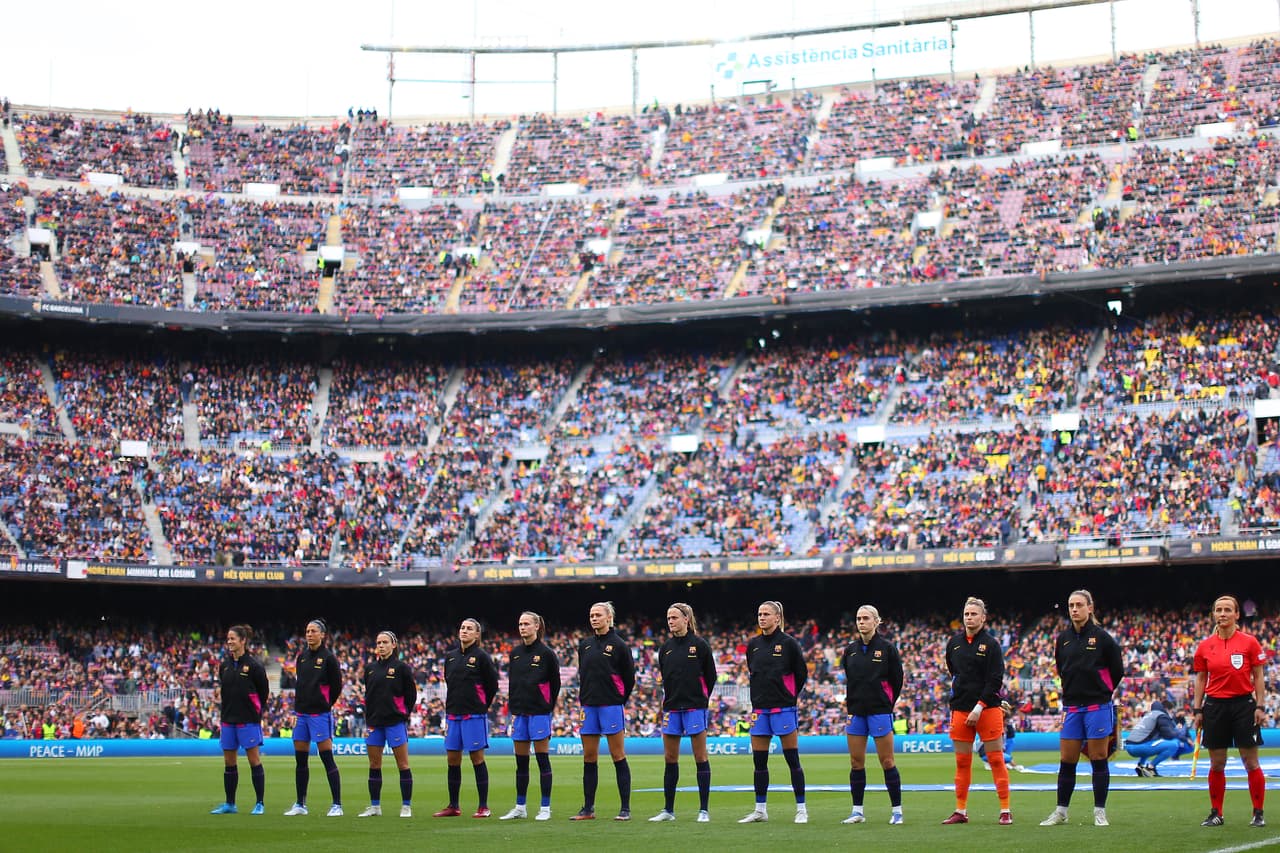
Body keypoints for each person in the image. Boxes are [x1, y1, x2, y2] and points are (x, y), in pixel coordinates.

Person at [1040, 589, 1125, 828]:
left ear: (1090, 607)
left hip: (1097, 705)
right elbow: (1061, 668)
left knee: (1098, 757)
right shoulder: (1063, 638)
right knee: (1067, 760)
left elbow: (1117, 670)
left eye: (1079, 605)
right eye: (1071, 605)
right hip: (1072, 707)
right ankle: (1061, 811)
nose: (1075, 609)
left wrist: (1103, 691)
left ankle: (1099, 812)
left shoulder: (1103, 638)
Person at [1193, 594, 1268, 828]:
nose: (1222, 614)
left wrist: (1260, 705)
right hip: (1214, 706)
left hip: (1244, 706)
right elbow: (1201, 678)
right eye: (1218, 610)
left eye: (1227, 610)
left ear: (1237, 614)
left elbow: (1258, 676)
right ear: (1213, 614)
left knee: (1251, 762)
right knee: (1217, 763)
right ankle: (1216, 813)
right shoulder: (1204, 646)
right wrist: (1197, 710)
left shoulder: (1250, 642)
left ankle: (1258, 813)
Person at [941, 596, 1012, 826]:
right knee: (962, 762)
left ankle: (1005, 810)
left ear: (983, 617)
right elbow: (954, 672)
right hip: (960, 710)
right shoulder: (954, 643)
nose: (969, 617)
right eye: (966, 614)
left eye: (973, 614)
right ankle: (960, 810)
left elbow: (995, 680)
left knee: (996, 760)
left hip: (988, 709)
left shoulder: (991, 645)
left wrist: (979, 706)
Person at [739, 600, 809, 825]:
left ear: (777, 618)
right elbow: (753, 672)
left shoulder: (789, 644)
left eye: (766, 614)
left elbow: (801, 674)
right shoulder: (754, 645)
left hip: (783, 708)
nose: (762, 617)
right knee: (759, 762)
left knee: (792, 760)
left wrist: (788, 696)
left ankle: (801, 809)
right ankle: (760, 809)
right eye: (759, 614)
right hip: (759, 710)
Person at [649, 602, 717, 824]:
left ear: (686, 620)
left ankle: (704, 810)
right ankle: (668, 810)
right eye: (668, 618)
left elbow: (711, 677)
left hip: (694, 707)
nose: (670, 622)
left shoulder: (699, 645)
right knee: (670, 759)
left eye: (674, 618)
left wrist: (701, 699)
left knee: (700, 757)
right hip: (671, 708)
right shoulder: (665, 648)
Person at [839, 604, 905, 826]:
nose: (861, 622)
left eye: (866, 618)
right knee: (856, 762)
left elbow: (897, 681)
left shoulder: (887, 649)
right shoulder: (850, 650)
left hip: (879, 711)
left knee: (887, 761)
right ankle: (857, 811)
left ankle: (897, 811)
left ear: (877, 622)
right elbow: (850, 677)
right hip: (856, 712)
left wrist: (886, 703)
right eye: (858, 618)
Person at [572, 601, 636, 821]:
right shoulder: (585, 645)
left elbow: (629, 679)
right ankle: (588, 808)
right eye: (591, 615)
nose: (594, 618)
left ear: (609, 618)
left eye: (598, 615)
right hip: (589, 706)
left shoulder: (619, 645)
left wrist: (619, 700)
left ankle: (625, 809)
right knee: (589, 757)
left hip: (610, 706)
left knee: (617, 755)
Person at [434, 618, 500, 819]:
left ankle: (483, 806)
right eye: (462, 628)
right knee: (452, 759)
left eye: (469, 629)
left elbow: (492, 686)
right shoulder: (451, 657)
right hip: (453, 714)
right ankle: (453, 805)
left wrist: (481, 705)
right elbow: (449, 681)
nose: (464, 631)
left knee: (476, 758)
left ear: (477, 634)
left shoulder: (482, 657)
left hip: (474, 715)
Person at [500, 611, 561, 822]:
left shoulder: (546, 654)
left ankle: (545, 807)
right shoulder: (515, 653)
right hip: (519, 713)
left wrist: (547, 706)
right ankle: (520, 806)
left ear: (537, 627)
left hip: (539, 713)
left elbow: (556, 684)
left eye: (526, 624)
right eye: (520, 624)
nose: (522, 627)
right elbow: (514, 684)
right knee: (521, 763)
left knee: (542, 760)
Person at [284, 618, 344, 817]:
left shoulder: (329, 658)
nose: (309, 634)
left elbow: (336, 687)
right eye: (307, 631)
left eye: (313, 631)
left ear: (322, 635)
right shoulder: (301, 657)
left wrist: (325, 704)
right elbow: (300, 685)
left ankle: (337, 805)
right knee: (300, 760)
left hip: (320, 714)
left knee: (327, 757)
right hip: (301, 714)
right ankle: (300, 804)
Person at [209, 624, 269, 815]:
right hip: (228, 720)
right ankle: (230, 804)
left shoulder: (254, 666)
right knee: (229, 762)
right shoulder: (224, 665)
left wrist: (255, 712)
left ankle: (259, 803)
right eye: (228, 638)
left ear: (243, 640)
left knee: (254, 760)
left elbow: (263, 692)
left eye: (233, 638)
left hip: (248, 720)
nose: (229, 642)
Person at [358, 630, 417, 819]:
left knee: (403, 764)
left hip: (394, 722)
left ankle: (406, 806)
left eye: (385, 642)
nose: (381, 645)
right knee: (374, 764)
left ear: (394, 645)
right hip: (374, 723)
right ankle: (375, 806)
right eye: (378, 642)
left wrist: (403, 713)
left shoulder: (402, 668)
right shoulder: (370, 669)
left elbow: (411, 695)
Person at [1126, 700, 1190, 777]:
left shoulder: (1148, 715)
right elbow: (1169, 734)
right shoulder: (1161, 716)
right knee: (1174, 744)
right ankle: (1151, 767)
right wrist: (1186, 739)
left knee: (1150, 742)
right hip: (1139, 747)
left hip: (1129, 746)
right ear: (1166, 709)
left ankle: (1141, 765)